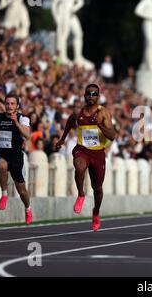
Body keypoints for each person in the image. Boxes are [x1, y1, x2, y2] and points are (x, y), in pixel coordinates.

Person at [56, 84, 116, 231]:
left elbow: (112, 136)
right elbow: (70, 121)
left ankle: (96, 212)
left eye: (94, 94)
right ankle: (81, 195)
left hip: (98, 153)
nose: (91, 96)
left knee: (98, 188)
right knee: (79, 166)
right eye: (88, 93)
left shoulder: (104, 114)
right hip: (82, 149)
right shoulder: (78, 112)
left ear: (98, 96)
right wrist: (62, 139)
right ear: (84, 96)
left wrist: (100, 126)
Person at [0, 92, 33, 224]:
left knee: (22, 191)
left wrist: (16, 123)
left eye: (12, 104)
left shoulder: (23, 119)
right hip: (1, 153)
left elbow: (27, 135)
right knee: (2, 166)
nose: (9, 106)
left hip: (16, 157)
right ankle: (4, 194)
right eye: (7, 103)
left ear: (17, 106)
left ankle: (28, 208)